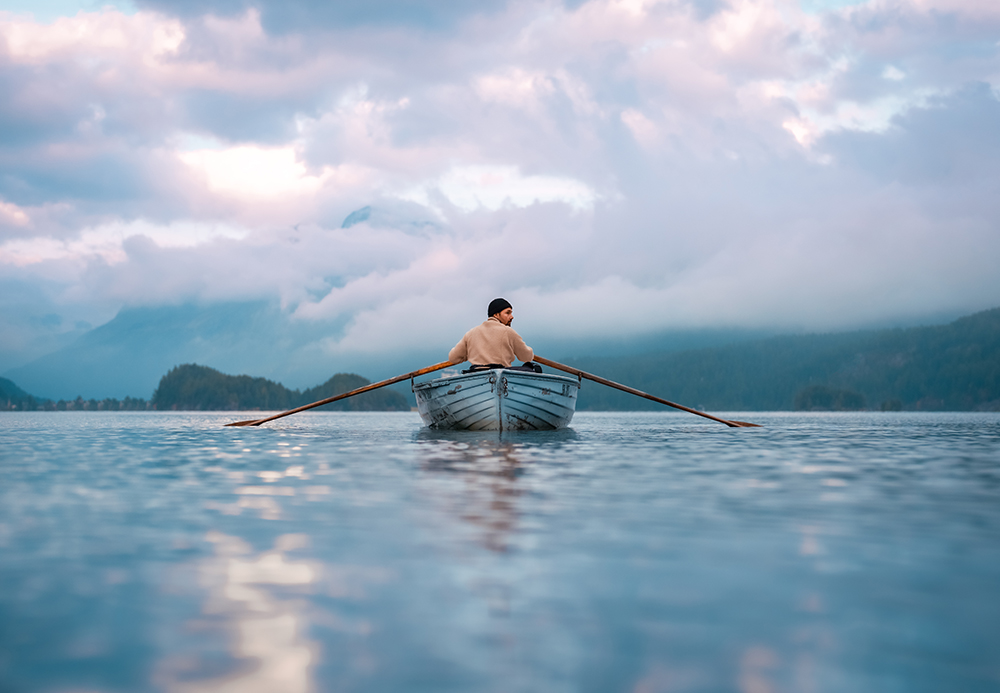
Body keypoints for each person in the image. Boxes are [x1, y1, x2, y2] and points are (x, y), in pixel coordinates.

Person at [448, 298, 541, 372]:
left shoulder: (471, 333)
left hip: (476, 374)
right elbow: (526, 357)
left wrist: (467, 355)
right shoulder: (508, 332)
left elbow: (453, 358)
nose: (512, 316)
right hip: (502, 376)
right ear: (496, 314)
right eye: (508, 313)